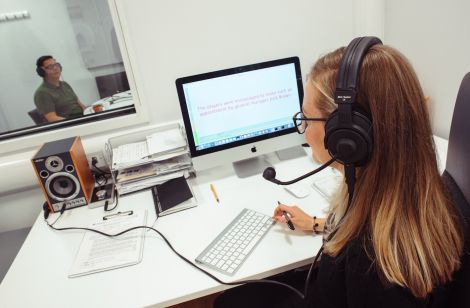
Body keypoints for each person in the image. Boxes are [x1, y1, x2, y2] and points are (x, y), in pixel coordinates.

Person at [214, 38, 468, 307]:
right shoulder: (416, 193)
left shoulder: (371, 266)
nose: (303, 130)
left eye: (305, 118)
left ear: (347, 138)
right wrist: (316, 223)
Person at [34, 55, 86, 122]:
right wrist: (75, 122)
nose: (55, 68)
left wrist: (91, 113)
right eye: (50, 66)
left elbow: (80, 104)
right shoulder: (42, 93)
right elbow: (52, 118)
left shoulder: (64, 84)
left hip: (82, 118)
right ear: (42, 72)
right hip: (69, 124)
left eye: (56, 65)